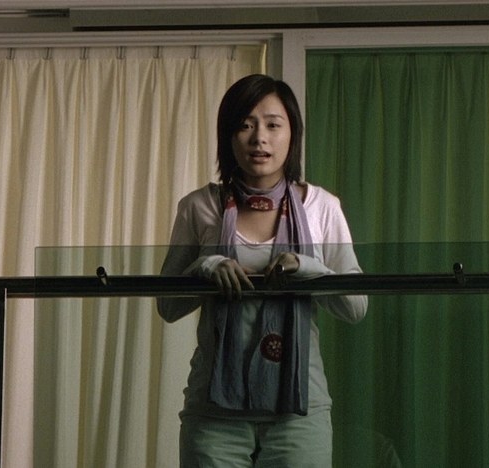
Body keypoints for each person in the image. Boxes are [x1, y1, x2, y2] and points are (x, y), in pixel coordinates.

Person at [157, 73, 367, 468]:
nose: (260, 139)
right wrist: (206, 266)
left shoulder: (322, 207)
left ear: (292, 134)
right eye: (245, 125)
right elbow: (168, 306)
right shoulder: (199, 206)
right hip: (214, 413)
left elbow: (355, 307)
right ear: (227, 136)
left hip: (299, 412)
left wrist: (305, 267)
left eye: (273, 125)